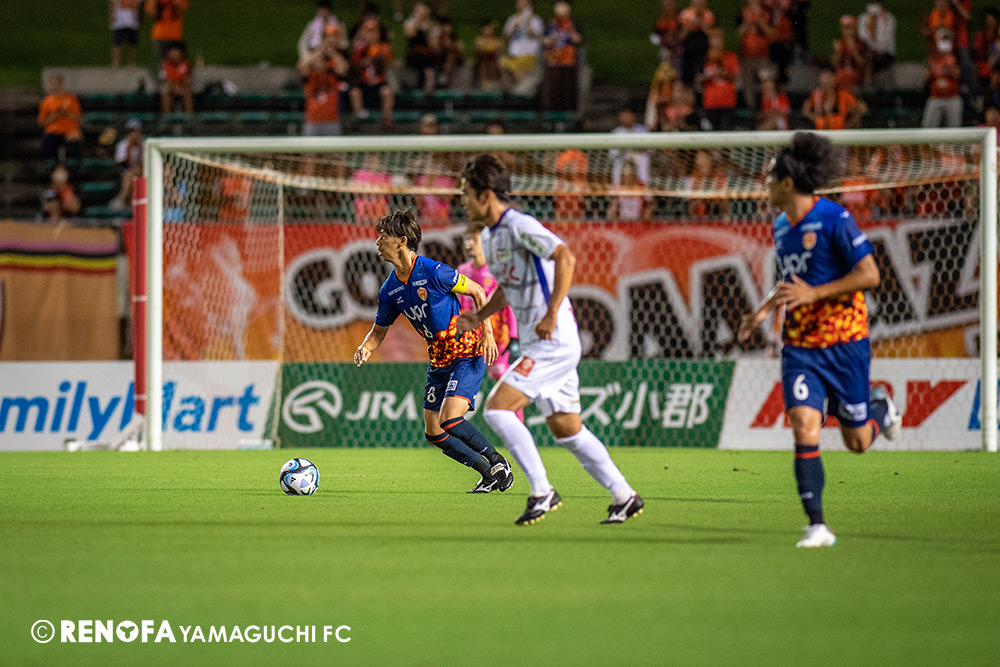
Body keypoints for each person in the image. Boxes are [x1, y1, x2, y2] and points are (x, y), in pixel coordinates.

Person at [457, 154, 644, 526]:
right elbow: (507, 287)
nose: (462, 201)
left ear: (486, 195)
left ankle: (541, 490)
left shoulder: (520, 225)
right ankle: (624, 496)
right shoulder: (490, 237)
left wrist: (552, 312)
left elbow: (564, 257)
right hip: (538, 343)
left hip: (553, 340)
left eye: (466, 193)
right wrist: (480, 315)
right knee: (567, 429)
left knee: (497, 410)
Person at [737, 132, 902, 548]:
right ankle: (817, 525)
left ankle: (881, 407)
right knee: (804, 425)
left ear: (788, 183)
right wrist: (764, 309)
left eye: (771, 178)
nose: (766, 184)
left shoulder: (834, 219)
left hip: (845, 343)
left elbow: (870, 275)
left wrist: (815, 294)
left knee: (857, 441)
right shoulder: (780, 226)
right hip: (800, 346)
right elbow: (792, 280)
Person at [354, 209, 514, 494]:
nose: (378, 242)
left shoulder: (434, 271)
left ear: (401, 241)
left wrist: (487, 334)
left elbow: (478, 291)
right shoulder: (390, 289)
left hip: (466, 352)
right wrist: (365, 347)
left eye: (383, 236)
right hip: (439, 361)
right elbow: (378, 332)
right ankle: (486, 473)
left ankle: (498, 461)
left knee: (450, 419)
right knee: (434, 432)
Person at [457, 227, 520, 391]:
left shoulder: (496, 269)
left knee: (502, 380)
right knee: (463, 381)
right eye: (467, 240)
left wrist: (513, 336)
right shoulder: (462, 271)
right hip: (472, 334)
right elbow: (461, 302)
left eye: (474, 239)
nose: (469, 244)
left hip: (498, 334)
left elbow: (508, 303)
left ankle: (508, 407)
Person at [298, 27, 349, 136]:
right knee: (310, 147)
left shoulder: (332, 74)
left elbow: (344, 67)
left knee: (334, 147)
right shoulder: (310, 75)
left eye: (322, 60)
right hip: (312, 121)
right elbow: (301, 66)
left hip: (332, 121)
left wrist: (331, 52)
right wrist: (318, 51)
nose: (320, 61)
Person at [348, 18, 395, 128]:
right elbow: (354, 66)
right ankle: (359, 119)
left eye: (372, 31)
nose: (370, 35)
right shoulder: (359, 48)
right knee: (355, 92)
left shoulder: (384, 48)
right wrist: (364, 59)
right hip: (364, 83)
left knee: (387, 92)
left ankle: (386, 119)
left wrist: (379, 59)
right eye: (367, 31)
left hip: (378, 82)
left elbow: (389, 64)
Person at [541, 0, 583, 112]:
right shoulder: (550, 23)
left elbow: (578, 40)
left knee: (568, 89)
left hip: (569, 61)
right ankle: (550, 112)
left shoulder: (573, 23)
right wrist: (553, 38)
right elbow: (544, 40)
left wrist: (570, 30)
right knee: (552, 89)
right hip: (553, 61)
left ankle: (569, 111)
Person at [802, 64, 867, 130]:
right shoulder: (815, 95)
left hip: (841, 131)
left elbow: (862, 109)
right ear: (820, 79)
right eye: (824, 78)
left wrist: (849, 125)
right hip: (821, 132)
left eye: (829, 77)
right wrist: (818, 121)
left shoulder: (844, 94)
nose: (827, 81)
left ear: (835, 78)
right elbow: (806, 111)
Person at [37, 74, 82, 168]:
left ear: (61, 84)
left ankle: (74, 165)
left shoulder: (70, 98)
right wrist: (53, 117)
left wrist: (66, 113)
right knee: (47, 139)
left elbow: (78, 116)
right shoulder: (46, 101)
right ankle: (49, 164)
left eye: (56, 83)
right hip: (54, 131)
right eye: (52, 84)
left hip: (70, 131)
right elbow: (41, 122)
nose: (54, 86)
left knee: (75, 140)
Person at [699, 29, 739, 131]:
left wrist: (723, 74)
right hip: (710, 102)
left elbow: (735, 78)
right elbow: (698, 79)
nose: (717, 42)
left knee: (727, 132)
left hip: (728, 102)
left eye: (719, 39)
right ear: (710, 41)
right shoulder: (704, 58)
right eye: (714, 39)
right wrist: (711, 75)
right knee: (710, 133)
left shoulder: (731, 57)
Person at [923, 27, 963, 128]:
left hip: (952, 97)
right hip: (936, 97)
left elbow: (959, 74)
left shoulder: (955, 56)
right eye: (942, 39)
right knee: (928, 127)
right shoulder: (932, 58)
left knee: (954, 128)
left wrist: (950, 69)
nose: (944, 42)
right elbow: (925, 77)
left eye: (946, 39)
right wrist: (931, 70)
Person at [501, 0, 544, 90]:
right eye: (520, 4)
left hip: (530, 54)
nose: (522, 7)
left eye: (525, 5)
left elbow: (536, 36)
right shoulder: (512, 19)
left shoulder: (535, 19)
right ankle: (517, 92)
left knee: (523, 77)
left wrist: (527, 23)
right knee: (505, 66)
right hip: (515, 53)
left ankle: (520, 93)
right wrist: (514, 25)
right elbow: (506, 36)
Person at [403, 2, 440, 94]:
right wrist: (418, 21)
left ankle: (429, 88)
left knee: (428, 65)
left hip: (427, 56)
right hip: (414, 54)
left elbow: (434, 46)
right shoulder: (410, 23)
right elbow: (410, 34)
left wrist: (428, 31)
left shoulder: (433, 26)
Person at [110, 118, 143, 210]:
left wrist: (140, 147)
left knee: (131, 175)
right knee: (130, 176)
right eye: (130, 132)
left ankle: (121, 198)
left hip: (143, 171)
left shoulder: (145, 144)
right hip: (128, 173)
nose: (133, 134)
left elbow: (142, 164)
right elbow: (127, 165)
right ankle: (129, 204)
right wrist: (129, 148)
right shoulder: (122, 145)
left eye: (135, 131)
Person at [857, 1, 896, 75]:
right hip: (867, 53)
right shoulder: (863, 18)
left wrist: (882, 21)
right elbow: (862, 39)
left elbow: (884, 44)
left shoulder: (888, 19)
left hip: (884, 55)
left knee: (870, 59)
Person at [831, 15, 869, 89]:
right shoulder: (839, 43)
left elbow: (864, 65)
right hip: (841, 76)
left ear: (855, 29)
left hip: (856, 77)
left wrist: (854, 51)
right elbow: (834, 64)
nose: (847, 31)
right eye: (845, 28)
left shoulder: (861, 43)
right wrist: (838, 52)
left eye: (850, 28)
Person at [159, 43, 193, 114]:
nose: (174, 55)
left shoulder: (185, 64)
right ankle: (166, 116)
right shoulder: (165, 65)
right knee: (165, 91)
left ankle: (189, 116)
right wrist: (175, 86)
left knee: (187, 93)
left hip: (182, 87)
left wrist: (181, 84)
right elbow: (164, 80)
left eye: (176, 53)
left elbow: (187, 79)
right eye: (172, 53)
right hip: (171, 87)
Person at [110, 0, 140, 68]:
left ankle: (131, 62)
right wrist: (111, 14)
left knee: (132, 43)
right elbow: (111, 3)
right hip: (119, 21)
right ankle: (115, 62)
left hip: (132, 21)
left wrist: (138, 17)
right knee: (117, 42)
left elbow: (139, 5)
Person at [475, 19, 504, 90]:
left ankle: (493, 84)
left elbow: (501, 50)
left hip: (495, 62)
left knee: (492, 61)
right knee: (485, 60)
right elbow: (479, 50)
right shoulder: (479, 40)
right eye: (486, 29)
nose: (488, 31)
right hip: (483, 63)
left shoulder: (498, 40)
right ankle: (486, 85)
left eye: (490, 29)